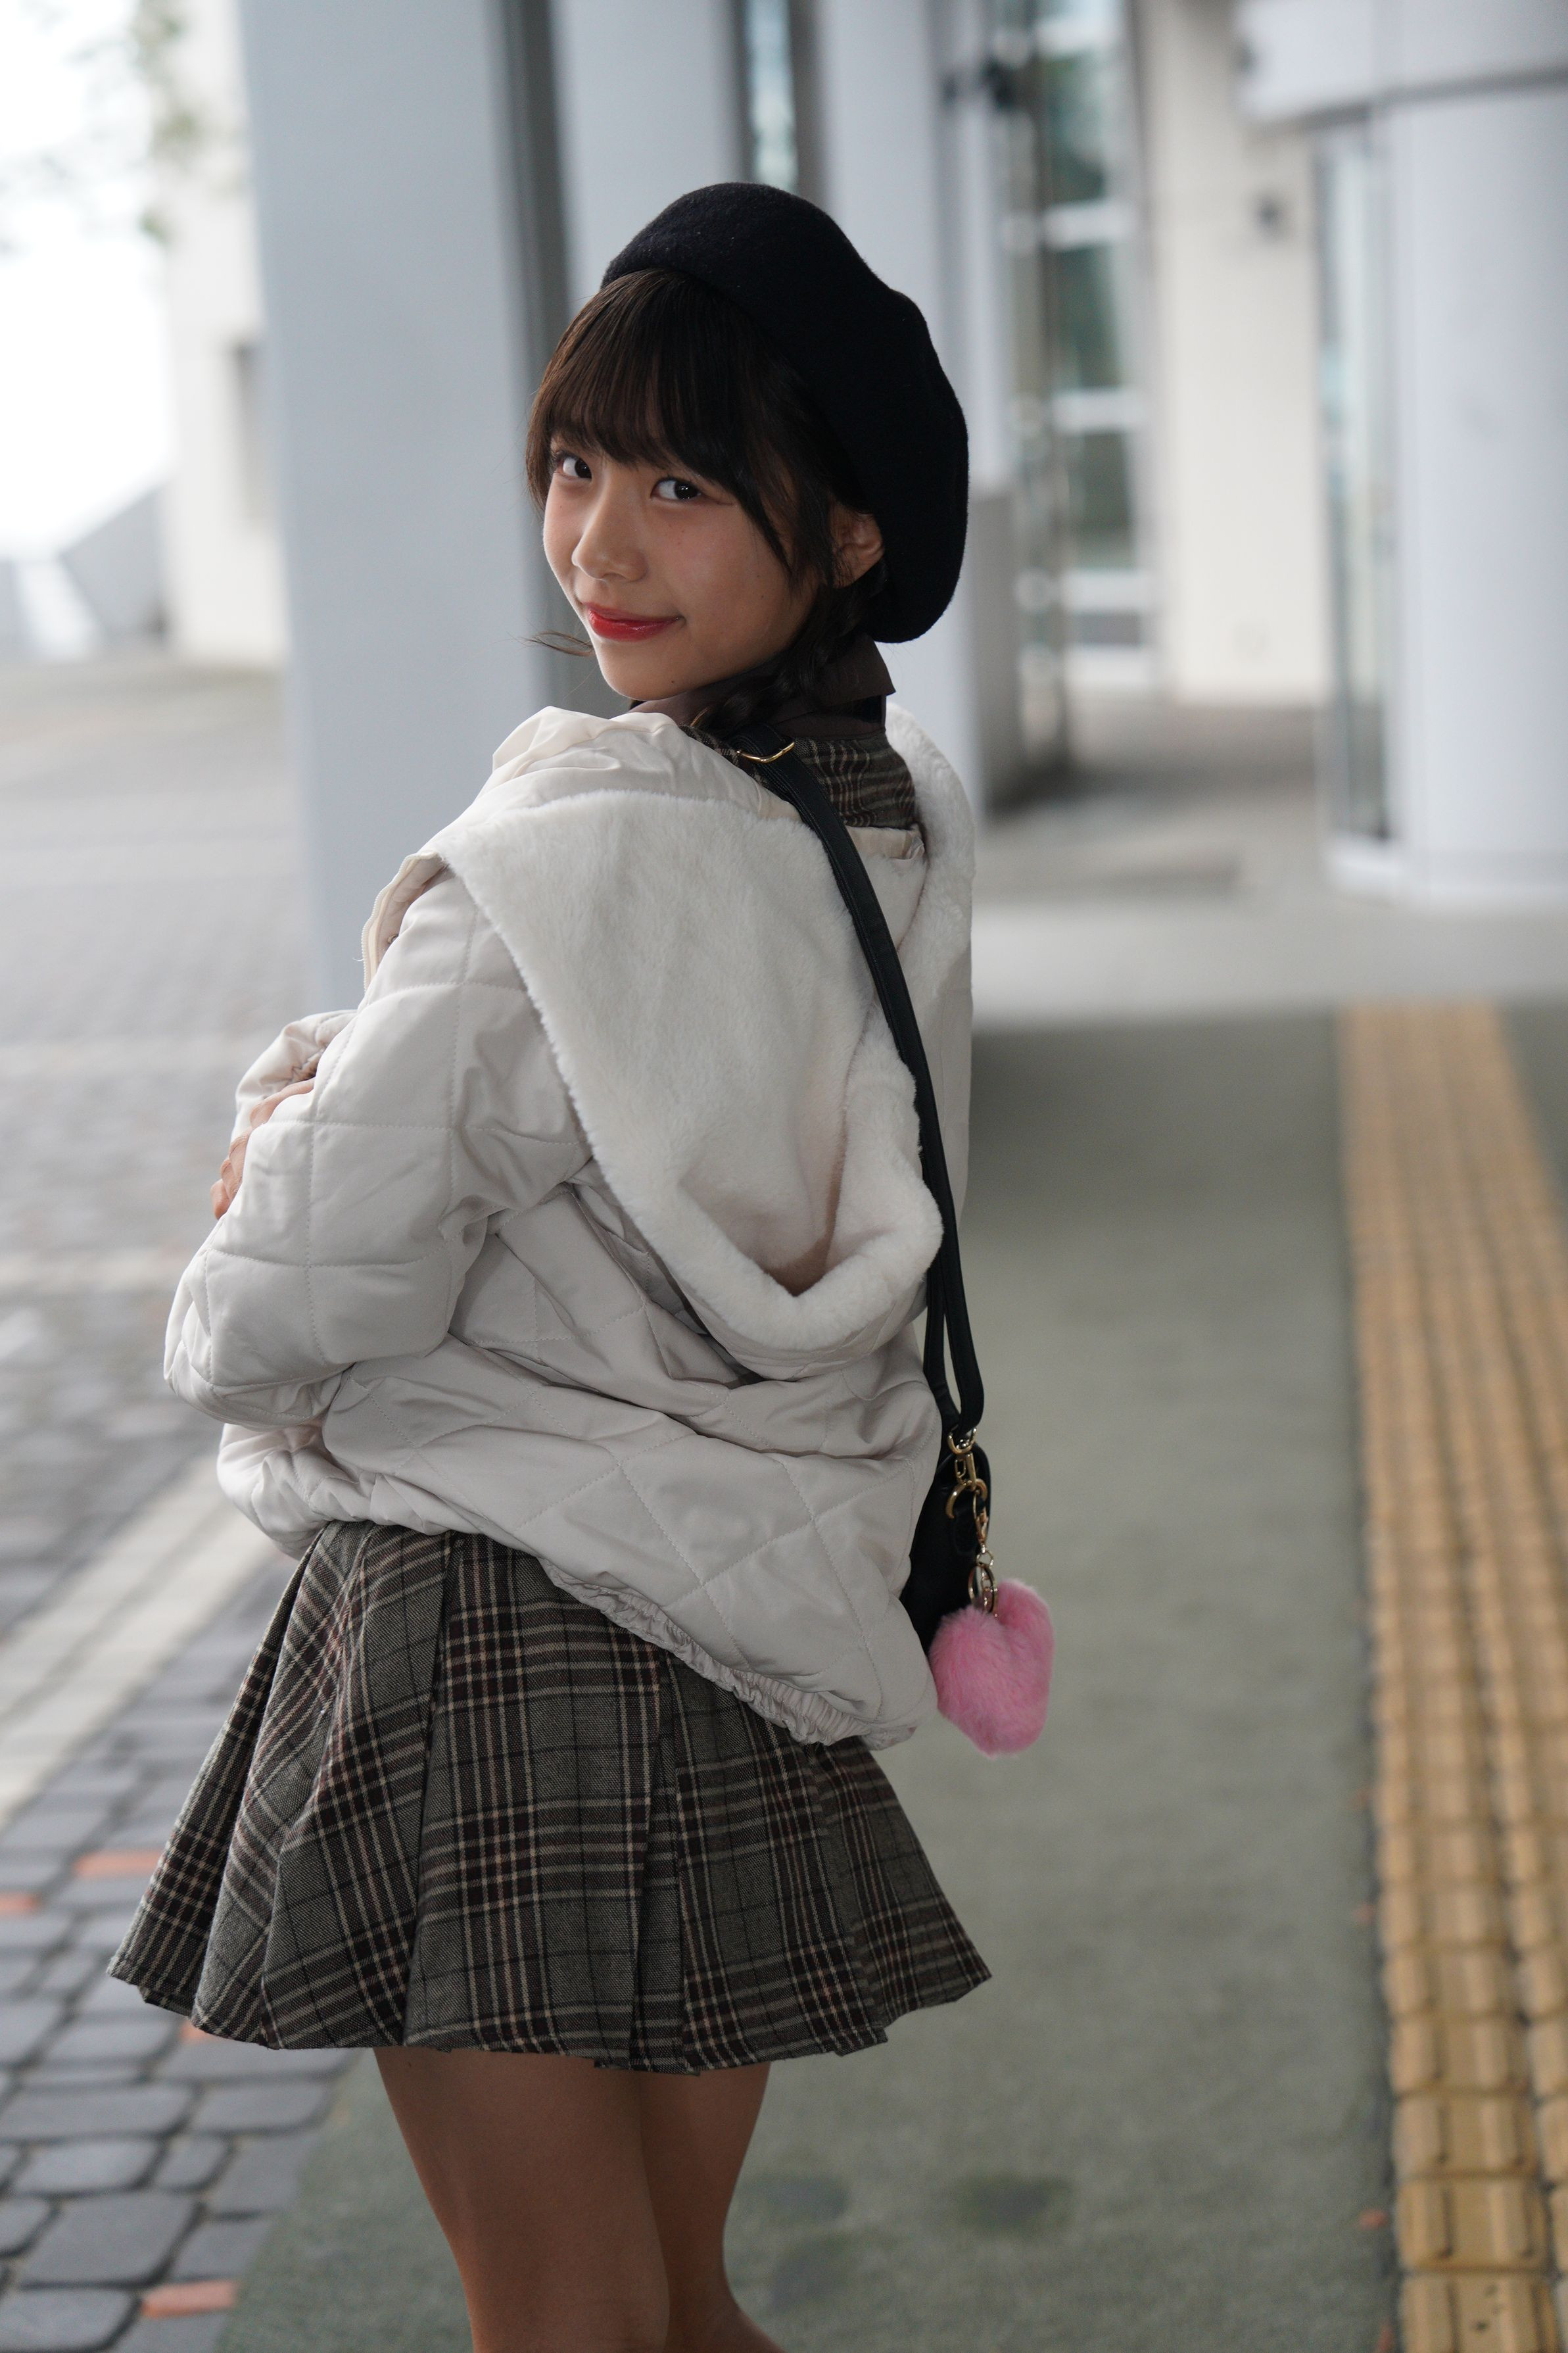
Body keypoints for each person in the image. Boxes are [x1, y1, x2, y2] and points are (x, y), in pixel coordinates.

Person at [112, 183, 987, 2353]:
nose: (600, 541)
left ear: (842, 529)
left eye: (683, 484)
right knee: (673, 2307)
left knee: (568, 2324)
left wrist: (263, 1169)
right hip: (734, 1628)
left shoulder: (553, 868)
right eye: (577, 464)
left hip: (480, 1649)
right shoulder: (884, 823)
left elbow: (281, 1308)